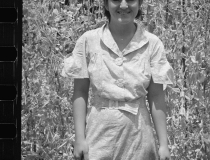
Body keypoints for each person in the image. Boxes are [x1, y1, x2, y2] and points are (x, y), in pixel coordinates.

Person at [61, 0, 175, 159]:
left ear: (139, 3)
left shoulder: (152, 44)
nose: (123, 5)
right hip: (98, 136)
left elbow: (156, 95)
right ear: (106, 5)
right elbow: (80, 91)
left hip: (140, 137)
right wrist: (80, 138)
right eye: (115, 0)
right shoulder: (89, 41)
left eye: (130, 0)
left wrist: (163, 145)